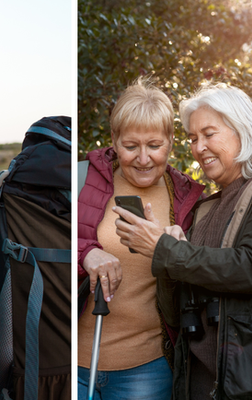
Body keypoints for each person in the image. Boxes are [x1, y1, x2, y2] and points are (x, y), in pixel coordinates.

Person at [114, 83, 252, 399]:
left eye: (209, 134)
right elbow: (176, 313)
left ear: (242, 129)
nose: (199, 147)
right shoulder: (205, 207)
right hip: (205, 384)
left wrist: (166, 250)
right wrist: (167, 253)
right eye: (192, 138)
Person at [77, 79, 205, 400]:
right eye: (131, 146)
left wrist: (178, 251)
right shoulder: (81, 179)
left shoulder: (188, 200)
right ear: (114, 141)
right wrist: (86, 254)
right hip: (73, 362)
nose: (144, 159)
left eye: (154, 145)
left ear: (171, 141)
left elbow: (203, 278)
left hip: (146, 370)